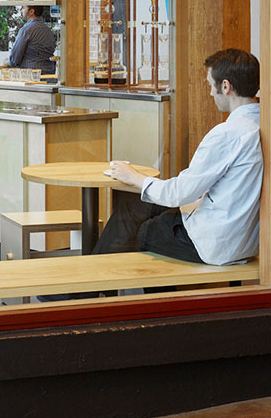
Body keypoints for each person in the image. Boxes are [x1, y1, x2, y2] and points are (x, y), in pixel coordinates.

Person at [93, 48, 262, 265]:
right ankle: (85, 287)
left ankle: (83, 289)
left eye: (211, 85)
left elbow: (180, 194)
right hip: (243, 238)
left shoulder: (228, 133)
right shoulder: (261, 123)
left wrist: (133, 176)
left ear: (226, 87)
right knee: (136, 208)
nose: (210, 93)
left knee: (141, 229)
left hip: (213, 243)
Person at [7, 5, 56, 73]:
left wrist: (8, 62)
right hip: (49, 75)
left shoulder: (26, 30)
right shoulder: (48, 30)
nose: (21, 11)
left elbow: (15, 59)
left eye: (23, 8)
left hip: (32, 77)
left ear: (31, 11)